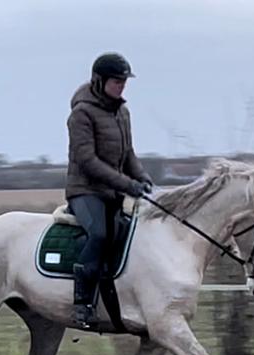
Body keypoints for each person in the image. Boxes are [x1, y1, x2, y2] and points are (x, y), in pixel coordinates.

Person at [65, 52, 154, 329]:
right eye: (116, 82)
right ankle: (82, 303)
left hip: (112, 192)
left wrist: (142, 178)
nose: (121, 86)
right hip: (85, 190)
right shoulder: (81, 114)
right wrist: (127, 184)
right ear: (99, 80)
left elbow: (128, 154)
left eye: (124, 82)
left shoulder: (122, 112)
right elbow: (87, 161)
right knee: (100, 234)